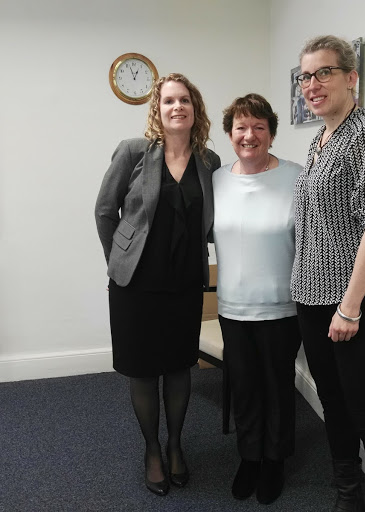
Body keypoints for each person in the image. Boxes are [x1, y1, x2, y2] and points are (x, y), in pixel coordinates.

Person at [291, 36, 365, 512]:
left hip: (359, 300)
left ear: (351, 77)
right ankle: (347, 495)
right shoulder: (319, 140)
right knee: (333, 406)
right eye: (305, 76)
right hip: (313, 299)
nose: (312, 85)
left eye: (324, 73)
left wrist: (350, 307)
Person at [95, 73, 220, 496]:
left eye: (184, 100)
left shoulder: (209, 161)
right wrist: (119, 261)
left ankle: (176, 445)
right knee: (144, 370)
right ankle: (152, 449)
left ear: (194, 108)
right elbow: (104, 210)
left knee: (179, 366)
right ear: (158, 109)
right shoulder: (134, 152)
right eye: (168, 101)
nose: (177, 107)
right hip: (136, 285)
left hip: (185, 282)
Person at [213, 94, 302, 505]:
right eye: (241, 128)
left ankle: (275, 459)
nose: (249, 135)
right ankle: (249, 457)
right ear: (230, 133)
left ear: (271, 133)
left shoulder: (297, 177)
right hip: (232, 306)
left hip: (283, 306)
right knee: (246, 388)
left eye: (259, 127)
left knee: (277, 386)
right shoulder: (216, 181)